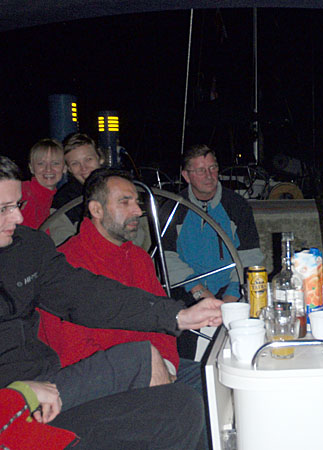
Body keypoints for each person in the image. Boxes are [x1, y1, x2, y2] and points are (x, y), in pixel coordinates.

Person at [0, 155, 223, 448]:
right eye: (4, 209)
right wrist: (19, 394)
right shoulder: (73, 255)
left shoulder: (29, 249)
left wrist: (178, 317)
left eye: (18, 205)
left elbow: (85, 295)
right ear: (96, 209)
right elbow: (74, 349)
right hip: (19, 399)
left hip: (50, 385)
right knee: (158, 375)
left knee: (202, 391)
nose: (18, 218)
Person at [159, 144, 263, 357]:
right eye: (200, 170)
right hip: (188, 289)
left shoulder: (237, 206)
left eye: (213, 168)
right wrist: (198, 291)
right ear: (186, 176)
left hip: (231, 289)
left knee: (246, 338)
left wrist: (231, 299)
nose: (209, 176)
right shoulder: (173, 208)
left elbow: (250, 255)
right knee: (183, 342)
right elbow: (166, 257)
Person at [49, 133, 105, 245]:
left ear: (100, 158)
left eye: (88, 159)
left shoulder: (124, 188)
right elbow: (64, 245)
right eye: (75, 163)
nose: (84, 168)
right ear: (68, 168)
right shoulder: (62, 202)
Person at [20, 138, 66, 229]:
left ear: (64, 168)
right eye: (41, 163)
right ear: (31, 168)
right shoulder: (23, 193)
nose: (48, 169)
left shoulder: (56, 199)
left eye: (55, 163)